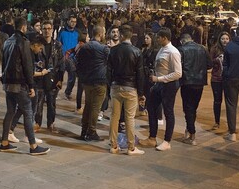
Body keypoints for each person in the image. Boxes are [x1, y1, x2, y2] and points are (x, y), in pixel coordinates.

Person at [0, 17, 50, 155]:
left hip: (8, 82)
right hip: (19, 82)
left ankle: (4, 142)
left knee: (10, 111)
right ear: (23, 28)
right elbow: (27, 66)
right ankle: (33, 146)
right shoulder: (24, 42)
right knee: (28, 111)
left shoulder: (7, 41)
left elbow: (3, 61)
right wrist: (31, 86)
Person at [139, 28, 182, 151]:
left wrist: (159, 79)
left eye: (158, 37)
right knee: (151, 107)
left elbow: (178, 73)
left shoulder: (173, 52)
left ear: (164, 38)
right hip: (158, 84)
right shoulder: (162, 49)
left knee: (168, 112)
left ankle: (167, 141)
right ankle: (152, 138)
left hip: (169, 85)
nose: (156, 39)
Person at [107, 25, 145, 155]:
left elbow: (108, 71)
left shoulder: (113, 50)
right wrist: (141, 93)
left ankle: (113, 145)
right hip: (131, 87)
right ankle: (131, 147)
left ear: (121, 36)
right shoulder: (137, 51)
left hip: (116, 86)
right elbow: (140, 74)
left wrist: (109, 86)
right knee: (130, 118)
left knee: (114, 117)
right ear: (131, 36)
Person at [76, 25, 109, 142]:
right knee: (96, 107)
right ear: (100, 34)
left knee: (88, 106)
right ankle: (92, 131)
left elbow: (78, 62)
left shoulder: (84, 47)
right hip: (99, 81)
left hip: (87, 81)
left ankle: (83, 130)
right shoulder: (104, 48)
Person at [179, 33, 212, 145]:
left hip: (187, 82)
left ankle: (191, 133)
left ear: (182, 41)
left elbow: (179, 66)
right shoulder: (202, 49)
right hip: (199, 82)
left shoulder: (182, 49)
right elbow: (209, 64)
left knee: (188, 107)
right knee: (193, 107)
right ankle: (189, 129)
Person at [38, 20, 64, 132]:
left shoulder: (57, 45)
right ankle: (37, 123)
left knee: (51, 103)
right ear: (41, 30)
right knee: (38, 103)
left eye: (49, 28)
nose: (47, 31)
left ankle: (51, 123)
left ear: (52, 29)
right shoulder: (37, 44)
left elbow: (61, 63)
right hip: (39, 77)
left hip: (53, 78)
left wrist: (60, 79)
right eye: (44, 28)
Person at [209, 32, 230, 130]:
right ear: (219, 39)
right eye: (223, 39)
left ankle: (230, 123)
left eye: (226, 39)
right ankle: (217, 122)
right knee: (217, 101)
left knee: (229, 101)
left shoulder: (232, 49)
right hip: (216, 79)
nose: (225, 40)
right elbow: (209, 63)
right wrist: (217, 60)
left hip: (228, 80)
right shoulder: (214, 49)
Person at [58, 16, 78, 101]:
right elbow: (58, 44)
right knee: (59, 77)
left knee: (72, 77)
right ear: (68, 22)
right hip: (62, 58)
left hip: (72, 58)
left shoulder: (77, 33)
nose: (73, 23)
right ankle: (55, 92)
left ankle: (67, 92)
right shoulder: (62, 32)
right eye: (72, 21)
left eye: (75, 22)